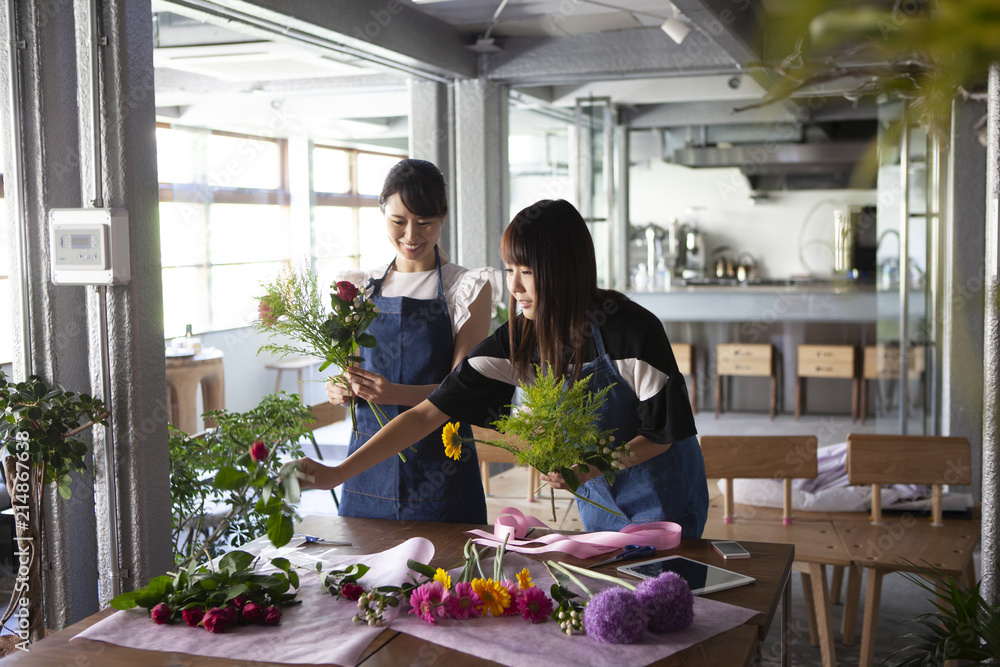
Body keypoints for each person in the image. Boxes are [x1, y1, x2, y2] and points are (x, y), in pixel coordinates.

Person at [303, 198, 708, 536]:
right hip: (598, 505)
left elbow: (661, 435)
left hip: (664, 500)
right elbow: (427, 414)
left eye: (527, 273)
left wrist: (589, 467)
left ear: (564, 271)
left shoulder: (633, 332)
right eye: (510, 270)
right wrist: (335, 474)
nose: (514, 288)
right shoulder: (518, 342)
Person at [327, 158, 500, 524]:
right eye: (398, 221)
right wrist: (340, 388)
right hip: (366, 465)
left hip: (441, 469)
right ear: (382, 212)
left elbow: (462, 393)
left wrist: (393, 394)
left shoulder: (466, 287)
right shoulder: (357, 287)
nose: (411, 236)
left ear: (443, 218)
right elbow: (349, 371)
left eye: (425, 223)